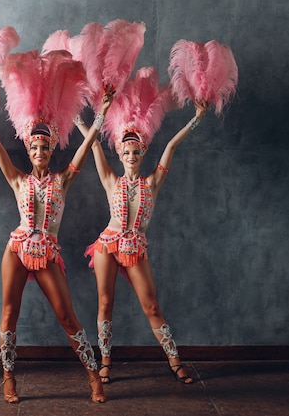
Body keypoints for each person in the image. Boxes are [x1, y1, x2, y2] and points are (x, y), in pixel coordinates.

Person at [0, 81, 114, 403]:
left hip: (47, 251)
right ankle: (9, 378)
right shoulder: (18, 179)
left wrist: (102, 111)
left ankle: (93, 376)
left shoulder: (62, 179)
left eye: (44, 148)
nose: (38, 153)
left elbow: (87, 143)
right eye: (34, 148)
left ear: (51, 150)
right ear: (29, 150)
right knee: (9, 313)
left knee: (67, 316)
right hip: (17, 249)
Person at [76, 69, 208, 385]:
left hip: (136, 248)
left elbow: (172, 147)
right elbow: (94, 146)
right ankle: (105, 361)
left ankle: (174, 361)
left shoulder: (153, 182)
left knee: (151, 305)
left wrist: (197, 118)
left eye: (136, 152)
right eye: (127, 152)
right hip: (108, 245)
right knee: (105, 303)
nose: (132, 156)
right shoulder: (111, 180)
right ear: (120, 153)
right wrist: (80, 120)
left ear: (143, 152)